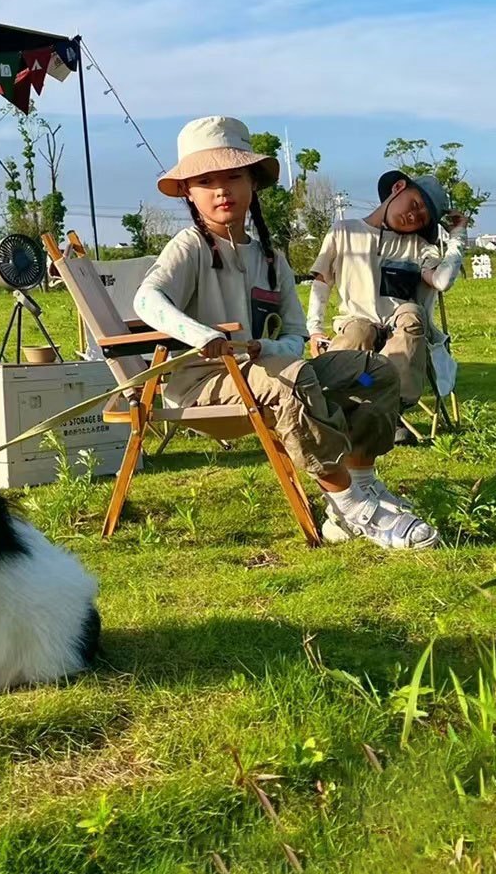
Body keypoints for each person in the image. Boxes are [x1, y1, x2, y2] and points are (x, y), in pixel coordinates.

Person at [133, 116, 439, 550]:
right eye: (205, 181)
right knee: (293, 379)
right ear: (187, 191)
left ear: (252, 183)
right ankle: (351, 504)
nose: (221, 190)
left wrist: (266, 346)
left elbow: (296, 336)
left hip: (271, 371)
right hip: (207, 386)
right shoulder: (190, 246)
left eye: (233, 177)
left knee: (374, 374)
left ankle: (359, 484)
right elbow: (147, 300)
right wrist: (201, 335)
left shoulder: (271, 258)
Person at [307, 169, 465, 425]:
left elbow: (441, 281)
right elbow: (322, 282)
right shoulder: (344, 231)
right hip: (357, 328)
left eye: (422, 218)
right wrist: (314, 330)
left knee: (412, 315)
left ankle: (391, 409)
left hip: (400, 336)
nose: (413, 215)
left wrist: (457, 237)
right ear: (398, 188)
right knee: (359, 332)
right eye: (415, 204)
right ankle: (347, 400)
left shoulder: (419, 246)